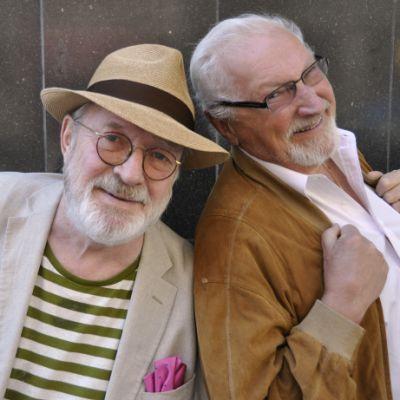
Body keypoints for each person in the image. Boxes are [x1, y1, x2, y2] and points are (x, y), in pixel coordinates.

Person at [190, 13, 400, 399]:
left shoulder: (329, 151)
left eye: (309, 73)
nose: (312, 102)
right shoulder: (233, 238)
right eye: (276, 94)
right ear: (224, 125)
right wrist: (341, 308)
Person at [0, 44, 228, 400]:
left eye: (159, 155)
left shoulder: (194, 288)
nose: (131, 173)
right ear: (68, 138)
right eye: (112, 140)